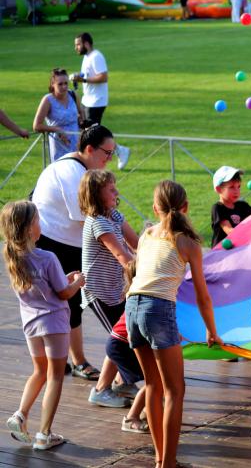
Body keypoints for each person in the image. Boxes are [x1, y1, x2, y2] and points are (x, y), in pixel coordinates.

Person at [126, 180, 221, 468]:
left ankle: (161, 460)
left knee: (152, 385)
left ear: (155, 208)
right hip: (157, 309)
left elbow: (143, 276)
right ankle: (167, 464)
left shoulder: (146, 235)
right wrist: (212, 331)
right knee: (175, 391)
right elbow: (203, 296)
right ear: (186, 207)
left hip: (132, 307)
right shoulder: (187, 243)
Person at [32, 124, 116, 380]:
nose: (110, 159)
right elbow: (89, 217)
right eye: (107, 153)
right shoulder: (72, 173)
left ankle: (62, 360)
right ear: (89, 149)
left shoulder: (82, 169)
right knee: (67, 303)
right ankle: (75, 362)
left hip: (66, 243)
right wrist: (120, 248)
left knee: (66, 304)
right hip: (54, 244)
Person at [2, 200, 85, 451]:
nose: (41, 225)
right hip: (55, 324)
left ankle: (20, 414)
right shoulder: (48, 257)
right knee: (55, 377)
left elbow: (45, 286)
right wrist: (78, 282)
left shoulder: (12, 256)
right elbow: (63, 293)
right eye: (38, 221)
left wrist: (64, 280)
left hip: (31, 324)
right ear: (29, 228)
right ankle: (44, 434)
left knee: (39, 371)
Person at [78, 169, 139, 408]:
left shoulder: (113, 215)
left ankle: (122, 382)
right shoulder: (97, 222)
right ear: (96, 194)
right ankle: (101, 389)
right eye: (111, 189)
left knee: (125, 334)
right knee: (119, 337)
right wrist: (147, 271)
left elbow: (136, 243)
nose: (117, 192)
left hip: (115, 289)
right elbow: (122, 255)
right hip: (98, 291)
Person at [73, 33, 129, 168]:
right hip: (88, 100)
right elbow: (88, 75)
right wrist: (79, 77)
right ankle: (117, 151)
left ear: (86, 44)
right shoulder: (87, 57)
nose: (76, 48)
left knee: (92, 132)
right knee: (87, 130)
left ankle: (119, 151)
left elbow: (103, 77)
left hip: (96, 101)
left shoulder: (96, 56)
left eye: (78, 44)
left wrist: (83, 79)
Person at [106, 313, 149, 433]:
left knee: (159, 380)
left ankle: (148, 412)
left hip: (121, 342)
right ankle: (131, 418)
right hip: (122, 345)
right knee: (156, 381)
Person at [33, 68, 83, 161]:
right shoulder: (48, 100)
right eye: (60, 84)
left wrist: (82, 124)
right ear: (53, 84)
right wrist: (57, 129)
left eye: (66, 83)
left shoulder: (73, 95)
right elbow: (36, 126)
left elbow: (81, 112)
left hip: (76, 144)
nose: (64, 87)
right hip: (58, 144)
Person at [210, 166, 251, 248]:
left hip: (239, 248)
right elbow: (229, 230)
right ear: (219, 189)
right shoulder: (218, 208)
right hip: (222, 252)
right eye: (231, 187)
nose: (236, 191)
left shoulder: (243, 206)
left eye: (239, 186)